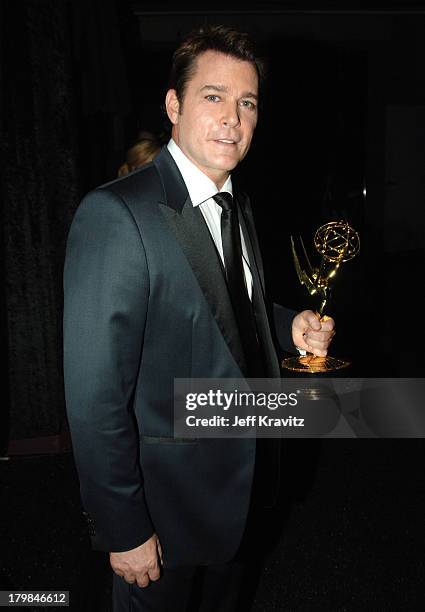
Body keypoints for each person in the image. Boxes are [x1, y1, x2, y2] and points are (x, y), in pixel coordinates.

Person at [63, 25, 335, 611]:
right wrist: (124, 527)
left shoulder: (237, 204)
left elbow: (227, 311)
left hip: (240, 496)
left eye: (247, 102)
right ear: (173, 104)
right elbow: (94, 397)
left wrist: (286, 323)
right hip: (162, 514)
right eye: (213, 96)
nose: (232, 118)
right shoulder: (116, 215)